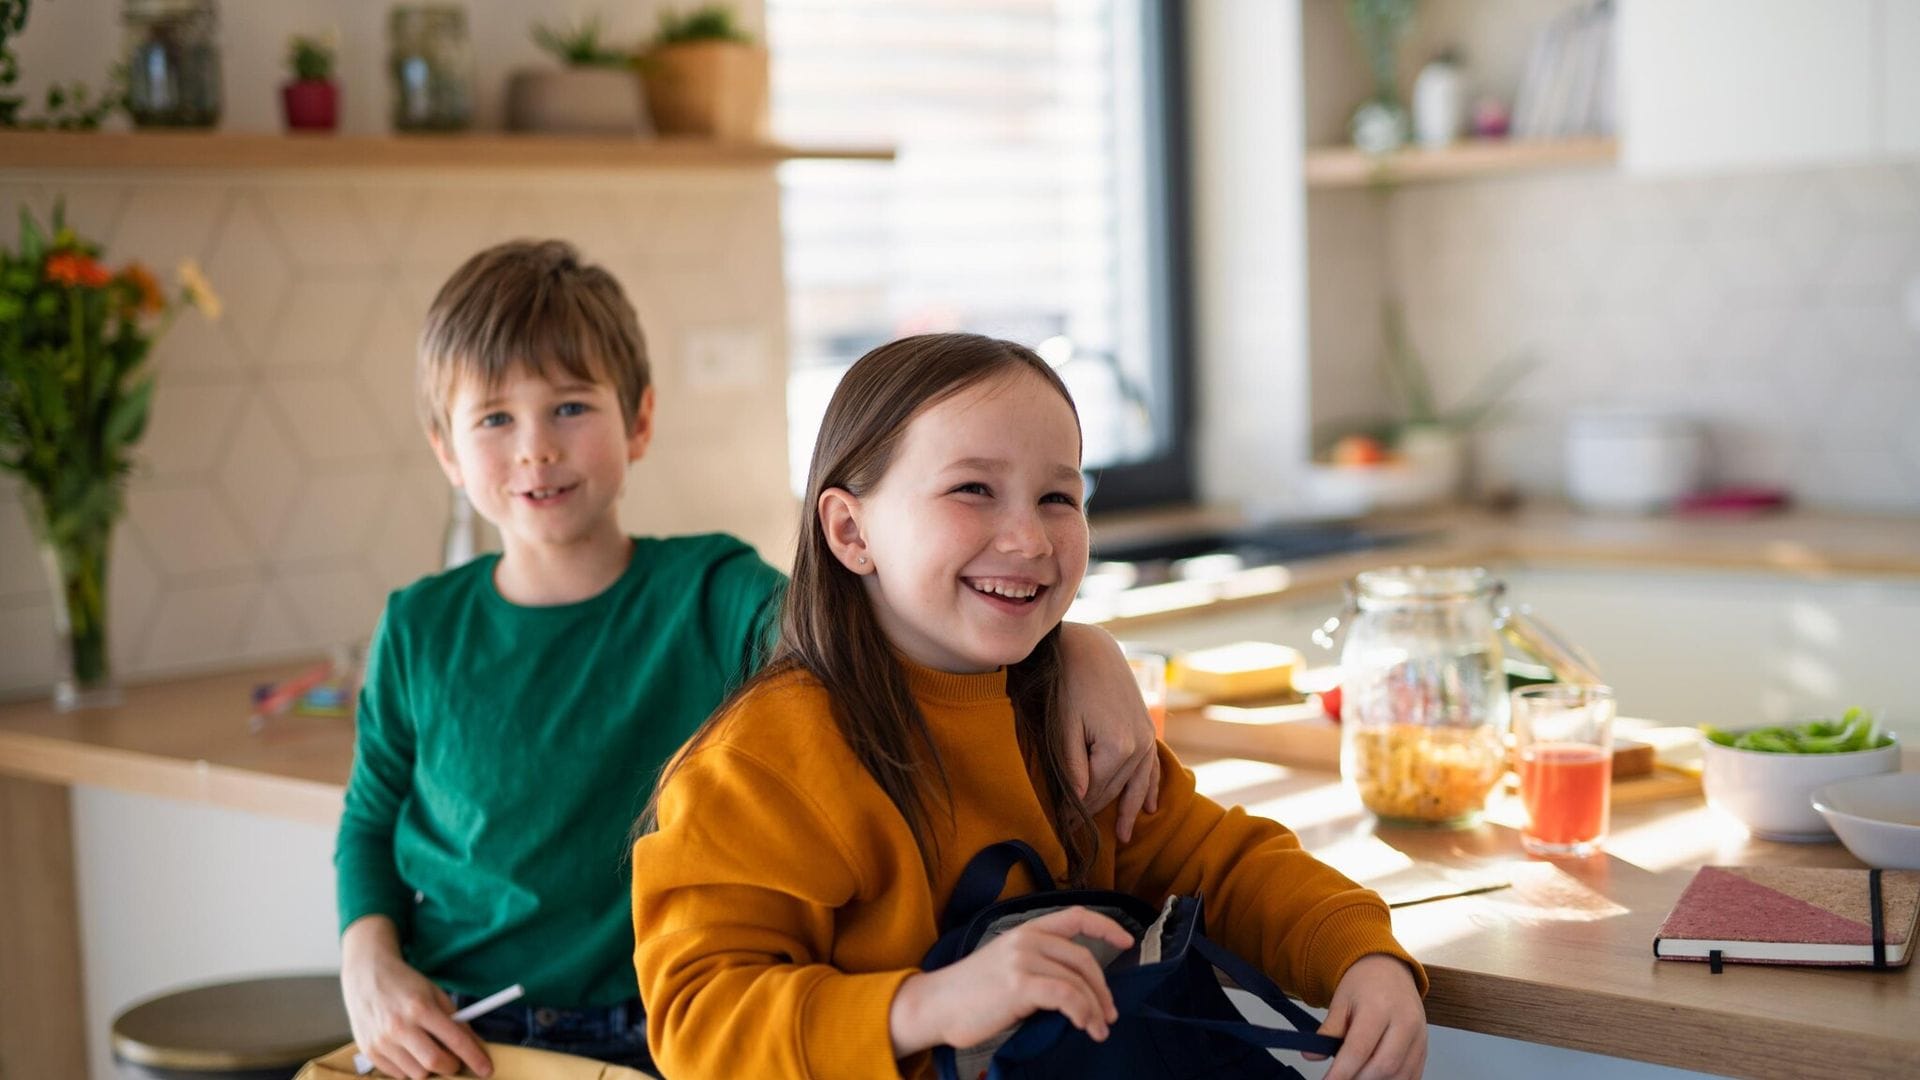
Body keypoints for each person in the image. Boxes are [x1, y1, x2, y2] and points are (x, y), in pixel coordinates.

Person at [335, 245, 1160, 1080]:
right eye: (494, 420)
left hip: (656, 1033)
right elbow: (371, 821)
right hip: (455, 1030)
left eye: (571, 407)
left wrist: (1075, 647)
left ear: (640, 421)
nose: (536, 449)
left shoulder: (713, 592)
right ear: (446, 449)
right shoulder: (418, 626)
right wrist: (366, 956)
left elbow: (874, 633)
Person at [631, 332, 1430, 1080]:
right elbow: (699, 1019)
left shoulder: (1072, 720)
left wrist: (1359, 954)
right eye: (972, 489)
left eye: (1058, 496)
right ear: (851, 531)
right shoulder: (764, 760)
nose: (1030, 538)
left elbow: (1219, 866)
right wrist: (928, 1005)